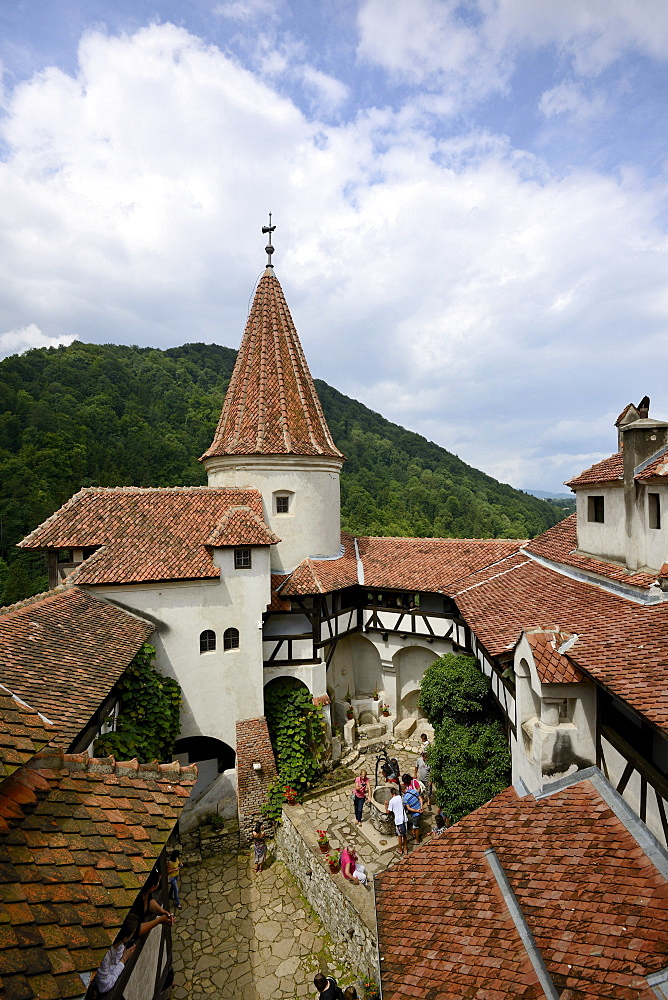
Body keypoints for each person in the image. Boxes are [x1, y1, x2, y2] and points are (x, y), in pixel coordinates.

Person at [94, 913, 139, 996]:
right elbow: (103, 986)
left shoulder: (120, 946)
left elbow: (114, 965)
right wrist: (124, 960)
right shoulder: (106, 955)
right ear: (125, 938)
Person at [131, 871, 174, 937]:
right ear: (152, 887)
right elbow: (135, 930)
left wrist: (162, 911)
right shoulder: (136, 902)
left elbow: (149, 901)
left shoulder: (146, 893)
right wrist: (159, 920)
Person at [385, 785, 408, 856]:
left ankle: (400, 850)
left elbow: (388, 812)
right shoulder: (401, 798)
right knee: (404, 835)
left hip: (398, 821)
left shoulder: (391, 801)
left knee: (399, 836)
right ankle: (405, 849)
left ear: (392, 794)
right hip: (404, 819)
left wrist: (386, 805)